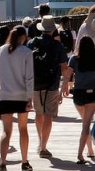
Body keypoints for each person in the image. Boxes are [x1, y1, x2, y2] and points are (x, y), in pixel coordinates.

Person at [0, 25, 35, 171]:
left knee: (6, 131)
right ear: (23, 37)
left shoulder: (1, 50)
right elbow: (29, 77)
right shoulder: (26, 52)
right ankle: (24, 161)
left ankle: (2, 163)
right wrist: (30, 98)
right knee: (23, 129)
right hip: (22, 96)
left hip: (5, 95)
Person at [28, 16, 69, 161]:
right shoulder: (58, 46)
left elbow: (25, 63)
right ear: (53, 30)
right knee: (48, 116)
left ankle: (40, 142)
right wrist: (65, 85)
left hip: (35, 84)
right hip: (52, 84)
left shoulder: (32, 43)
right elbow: (64, 67)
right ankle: (44, 147)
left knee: (39, 114)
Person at [70, 37, 95, 165]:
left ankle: (90, 151)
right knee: (86, 125)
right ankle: (80, 154)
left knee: (85, 123)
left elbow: (67, 76)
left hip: (78, 94)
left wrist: (62, 91)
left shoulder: (74, 59)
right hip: (91, 94)